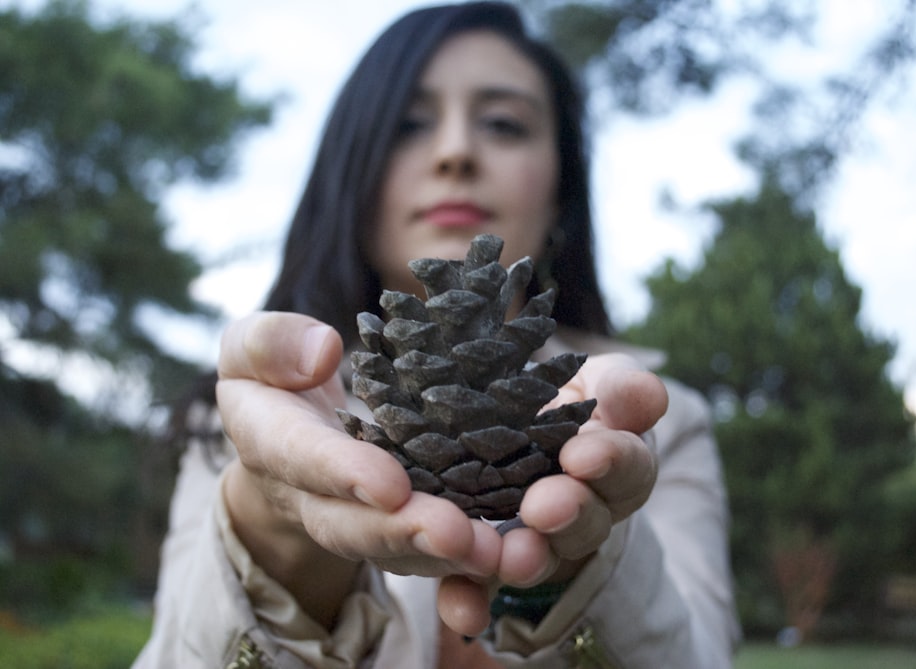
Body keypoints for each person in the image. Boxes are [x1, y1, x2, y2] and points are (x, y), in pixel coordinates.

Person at [134, 2, 739, 667]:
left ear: (561, 191)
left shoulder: (661, 422)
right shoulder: (238, 420)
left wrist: (582, 571)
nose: (455, 152)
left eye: (505, 124)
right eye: (409, 124)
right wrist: (272, 535)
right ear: (352, 179)